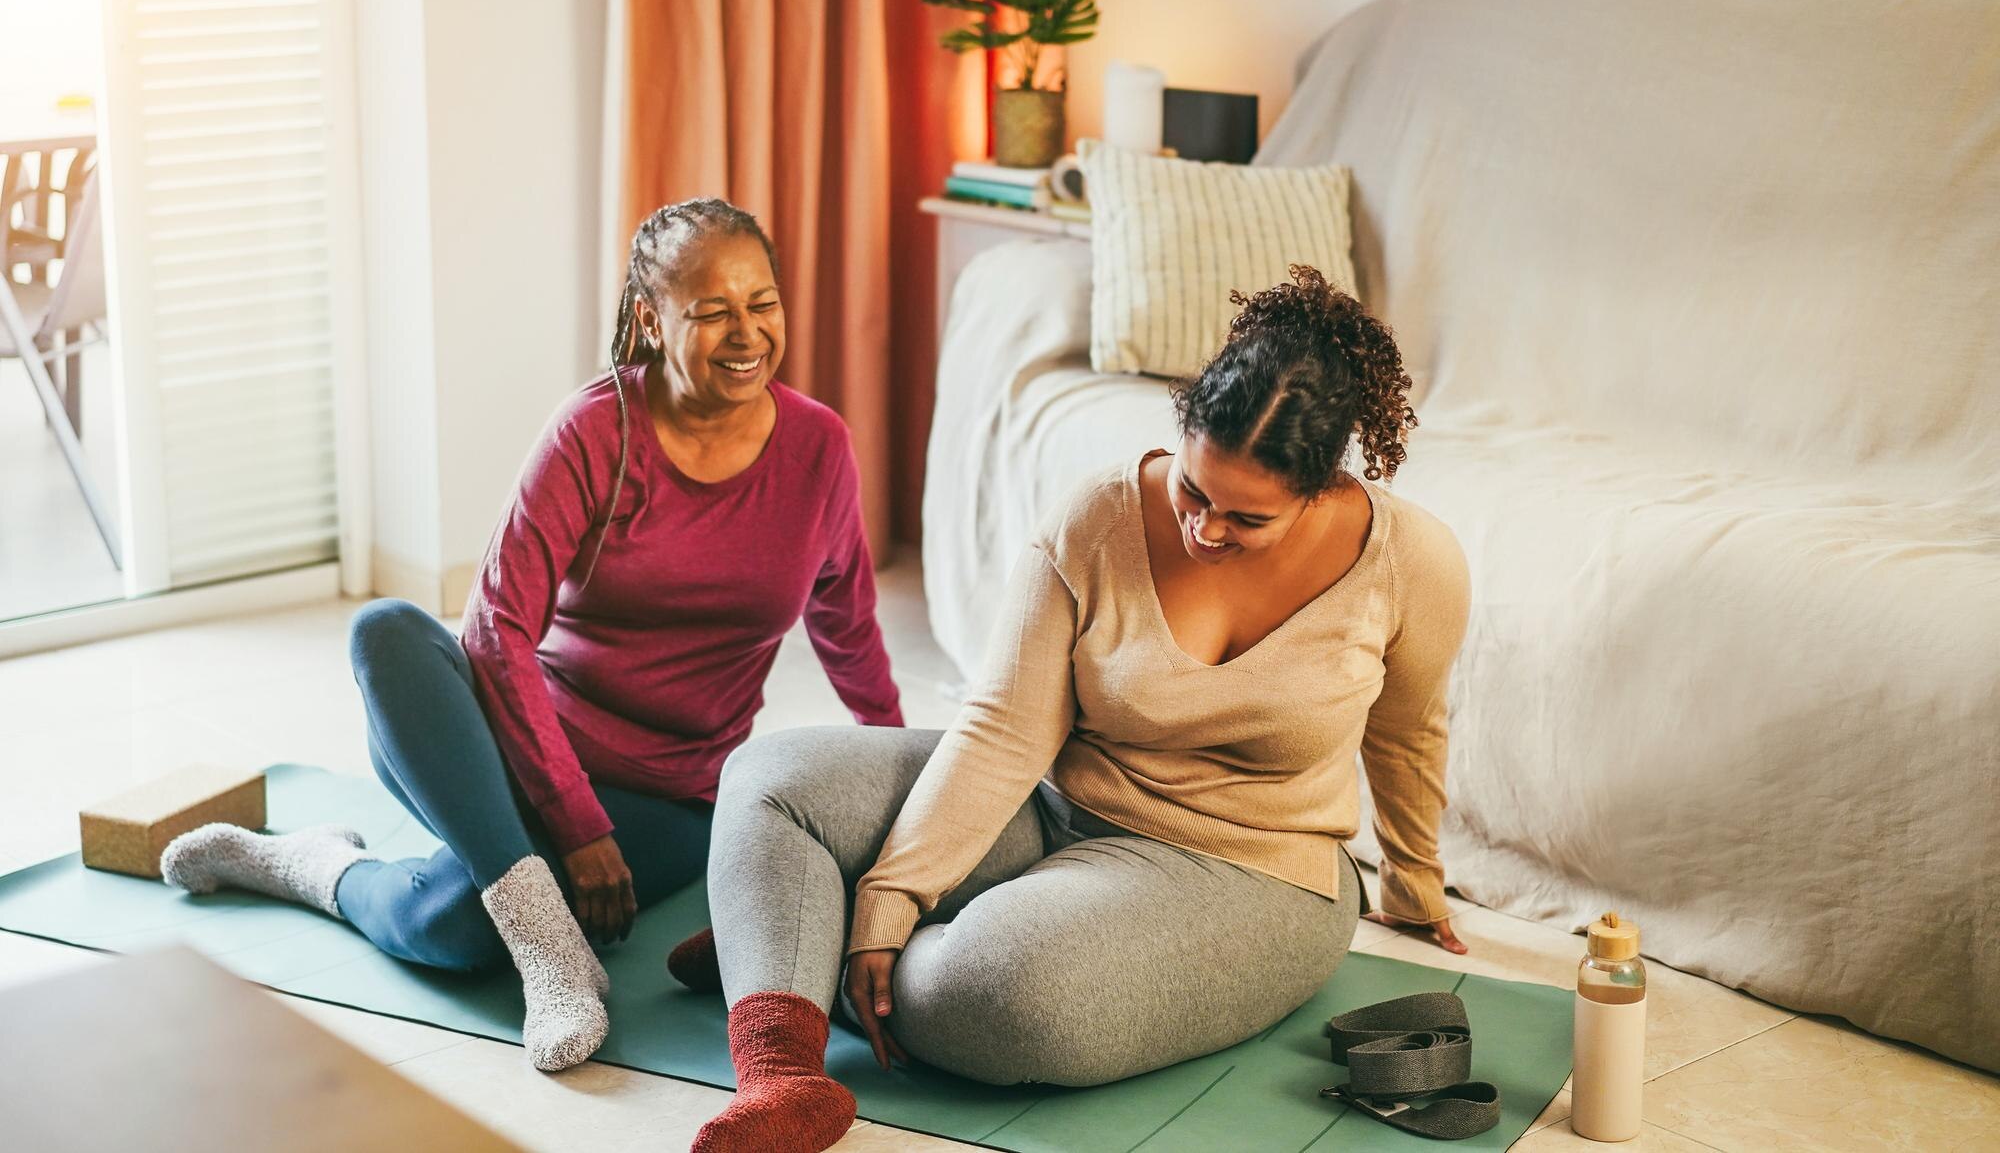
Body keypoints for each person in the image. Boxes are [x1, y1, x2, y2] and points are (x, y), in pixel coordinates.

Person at [677, 265, 1473, 1153]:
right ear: (1184, 431)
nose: (1207, 530)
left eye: (1246, 519)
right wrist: (893, 894)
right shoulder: (1096, 516)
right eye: (1194, 494)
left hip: (1251, 873)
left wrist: (1415, 881)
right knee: (771, 779)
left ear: (1322, 486)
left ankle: (784, 954)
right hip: (1055, 803)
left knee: (989, 992)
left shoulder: (1411, 562)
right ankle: (784, 1071)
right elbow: (1004, 727)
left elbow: (1407, 735)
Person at [156, 198, 903, 1072]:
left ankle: (307, 865)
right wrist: (575, 829)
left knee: (451, 928)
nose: (746, 333)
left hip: (672, 797)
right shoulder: (595, 432)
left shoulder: (817, 447)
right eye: (710, 311)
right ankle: (548, 943)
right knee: (388, 630)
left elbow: (847, 627)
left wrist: (906, 800)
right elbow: (497, 630)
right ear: (649, 320)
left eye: (762, 302)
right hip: (512, 748)